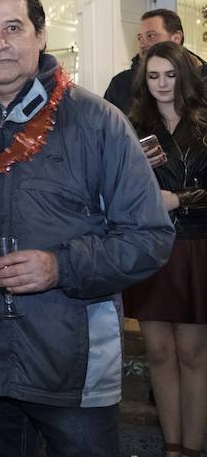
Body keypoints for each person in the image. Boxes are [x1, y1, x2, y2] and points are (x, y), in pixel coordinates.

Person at [0, 0, 176, 456]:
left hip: (70, 368)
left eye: (13, 28)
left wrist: (61, 266)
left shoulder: (99, 123)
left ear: (41, 35)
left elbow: (150, 236)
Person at [125, 41, 207, 457]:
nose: (161, 84)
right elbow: (112, 190)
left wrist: (182, 198)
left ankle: (192, 447)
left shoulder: (205, 122)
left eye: (170, 75)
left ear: (184, 76)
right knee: (157, 352)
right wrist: (132, 166)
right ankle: (172, 446)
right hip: (151, 246)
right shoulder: (132, 125)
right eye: (153, 75)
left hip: (197, 247)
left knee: (193, 354)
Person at [104, 8, 205, 114]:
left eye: (150, 36)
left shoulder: (203, 80)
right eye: (140, 38)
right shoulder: (122, 84)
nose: (142, 44)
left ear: (176, 38)